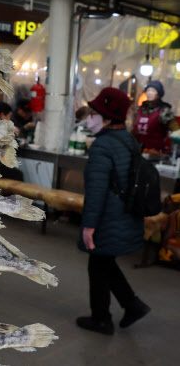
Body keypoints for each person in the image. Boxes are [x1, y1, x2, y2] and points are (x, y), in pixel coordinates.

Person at [77, 87, 151, 335]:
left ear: (107, 118)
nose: (91, 116)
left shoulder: (102, 146)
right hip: (125, 214)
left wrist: (88, 226)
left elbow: (96, 191)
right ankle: (131, 306)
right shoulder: (128, 140)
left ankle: (102, 319)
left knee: (98, 265)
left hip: (108, 218)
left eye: (95, 113)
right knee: (103, 263)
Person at [132, 80, 179, 152]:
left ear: (158, 94)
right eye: (148, 90)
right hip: (136, 150)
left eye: (153, 91)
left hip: (155, 153)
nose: (149, 93)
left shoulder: (164, 112)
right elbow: (131, 128)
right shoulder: (138, 109)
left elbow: (176, 131)